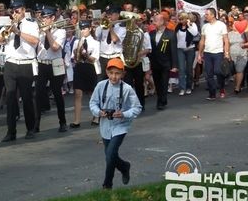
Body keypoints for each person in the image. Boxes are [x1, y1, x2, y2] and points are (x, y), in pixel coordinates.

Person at [89, 58, 142, 190]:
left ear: (123, 74)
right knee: (110, 156)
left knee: (111, 153)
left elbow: (137, 107)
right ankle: (124, 166)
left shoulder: (127, 89)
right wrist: (98, 112)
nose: (114, 76)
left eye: (117, 73)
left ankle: (107, 185)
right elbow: (93, 103)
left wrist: (124, 114)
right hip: (105, 125)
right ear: (107, 72)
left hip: (121, 125)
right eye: (111, 72)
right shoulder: (101, 86)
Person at [0, 0, 39, 142]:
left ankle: (30, 128)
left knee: (26, 98)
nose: (14, 14)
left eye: (17, 11)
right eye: (12, 11)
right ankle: (10, 131)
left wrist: (18, 32)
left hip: (26, 64)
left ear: (24, 10)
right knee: (10, 99)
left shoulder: (31, 24)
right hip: (11, 64)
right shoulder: (8, 24)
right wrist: (7, 30)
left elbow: (35, 41)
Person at [34, 6, 67, 133]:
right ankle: (36, 124)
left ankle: (62, 122)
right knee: (38, 94)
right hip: (42, 64)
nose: (44, 20)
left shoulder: (61, 31)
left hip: (55, 64)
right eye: (43, 17)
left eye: (46, 17)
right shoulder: (39, 30)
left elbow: (54, 47)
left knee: (57, 93)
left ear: (53, 18)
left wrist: (47, 32)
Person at [70, 20, 100, 128]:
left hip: (89, 67)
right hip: (79, 67)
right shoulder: (77, 41)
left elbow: (94, 59)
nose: (83, 31)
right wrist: (75, 54)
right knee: (78, 94)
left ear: (90, 29)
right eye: (81, 29)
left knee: (91, 94)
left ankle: (96, 116)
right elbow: (73, 57)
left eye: (85, 28)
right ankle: (76, 120)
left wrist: (85, 54)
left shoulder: (95, 43)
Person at [197, 8, 230, 100]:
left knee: (218, 72)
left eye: (207, 14)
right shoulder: (205, 26)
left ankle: (222, 88)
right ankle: (212, 94)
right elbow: (202, 41)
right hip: (207, 53)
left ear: (213, 15)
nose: (205, 16)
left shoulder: (221, 25)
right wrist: (199, 54)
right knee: (209, 74)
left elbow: (226, 40)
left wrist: (226, 53)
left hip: (218, 52)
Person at [148, 14, 178, 110]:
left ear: (161, 22)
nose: (153, 23)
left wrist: (174, 65)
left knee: (164, 82)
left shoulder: (170, 33)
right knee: (157, 83)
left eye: (155, 21)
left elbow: (173, 50)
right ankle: (160, 98)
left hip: (165, 63)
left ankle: (161, 101)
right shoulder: (151, 33)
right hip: (155, 62)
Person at [174, 12, 199, 96]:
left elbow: (195, 33)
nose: (180, 21)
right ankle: (182, 88)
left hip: (190, 49)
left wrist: (189, 25)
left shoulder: (192, 25)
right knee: (181, 69)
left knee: (189, 69)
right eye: (179, 19)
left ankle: (188, 86)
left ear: (186, 19)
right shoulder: (178, 26)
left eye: (182, 19)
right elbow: (175, 37)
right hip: (180, 49)